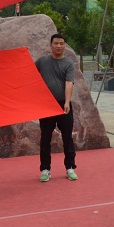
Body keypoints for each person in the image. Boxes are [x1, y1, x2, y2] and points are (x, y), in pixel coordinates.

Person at [35, 33, 77, 182]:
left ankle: (70, 167)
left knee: (67, 137)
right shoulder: (42, 61)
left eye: (61, 43)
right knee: (45, 138)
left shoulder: (68, 63)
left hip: (63, 105)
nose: (59, 46)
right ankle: (45, 169)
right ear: (50, 45)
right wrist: (23, 54)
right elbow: (28, 72)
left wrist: (67, 102)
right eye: (56, 43)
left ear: (65, 45)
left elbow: (69, 83)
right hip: (46, 106)